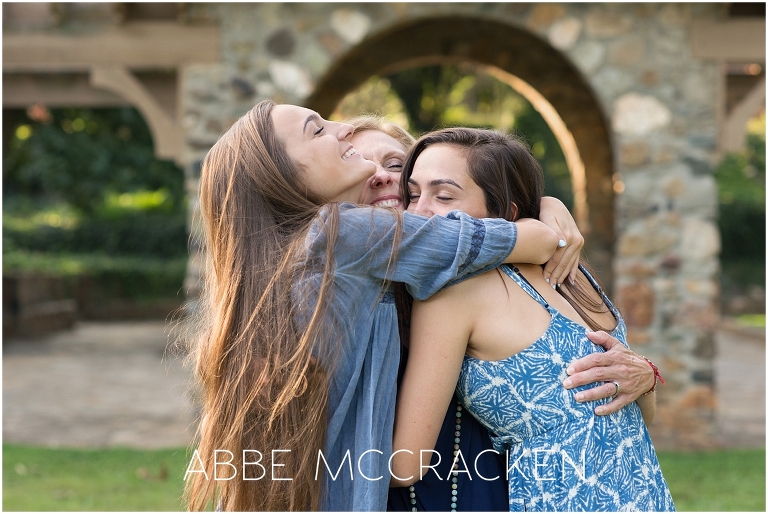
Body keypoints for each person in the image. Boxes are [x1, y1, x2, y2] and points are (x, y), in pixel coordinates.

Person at [184, 101, 582, 511]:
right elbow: (525, 241)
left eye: (400, 170)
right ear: (282, 179)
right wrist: (543, 216)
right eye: (316, 130)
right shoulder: (340, 233)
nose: (342, 129)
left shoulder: (299, 266)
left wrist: (543, 206)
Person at [346, 116, 661, 512]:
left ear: (503, 212)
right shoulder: (565, 267)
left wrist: (645, 376)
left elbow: (403, 464)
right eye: (414, 194)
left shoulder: (462, 289)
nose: (419, 210)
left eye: (443, 196)